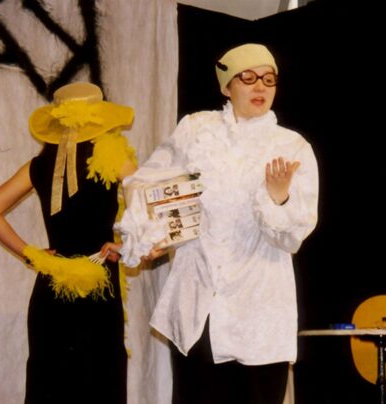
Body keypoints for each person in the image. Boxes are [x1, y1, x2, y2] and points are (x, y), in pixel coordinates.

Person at [116, 43, 319, 404]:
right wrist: (150, 235)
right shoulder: (196, 129)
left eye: (268, 79)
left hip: (259, 310)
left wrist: (278, 198)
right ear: (227, 86)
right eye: (248, 77)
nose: (260, 86)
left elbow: (291, 238)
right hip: (200, 307)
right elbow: (150, 182)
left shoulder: (292, 147)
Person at [0, 82, 136, 404]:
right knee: (99, 382)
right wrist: (126, 247)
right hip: (98, 288)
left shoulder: (39, 165)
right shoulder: (115, 159)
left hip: (51, 289)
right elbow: (150, 212)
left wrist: (30, 254)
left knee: (52, 382)